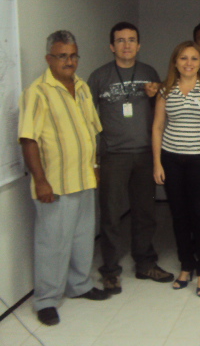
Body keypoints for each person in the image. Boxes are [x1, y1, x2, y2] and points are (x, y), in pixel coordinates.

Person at [19, 30, 110, 327]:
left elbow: (91, 131)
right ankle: (46, 299)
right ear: (49, 58)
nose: (69, 61)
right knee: (52, 243)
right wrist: (40, 180)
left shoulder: (82, 87)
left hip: (83, 177)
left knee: (83, 237)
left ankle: (80, 285)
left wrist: (95, 164)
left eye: (73, 55)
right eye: (62, 56)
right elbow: (28, 139)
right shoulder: (37, 92)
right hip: (54, 183)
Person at [88, 22, 173, 295]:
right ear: (112, 46)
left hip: (145, 154)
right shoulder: (99, 76)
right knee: (111, 216)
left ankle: (145, 262)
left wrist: (154, 95)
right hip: (113, 155)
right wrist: (94, 160)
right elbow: (88, 120)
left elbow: (161, 111)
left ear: (139, 45)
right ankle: (110, 270)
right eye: (120, 40)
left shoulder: (149, 72)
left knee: (145, 212)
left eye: (132, 40)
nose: (126, 45)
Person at [152, 41, 200, 297]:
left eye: (194, 59)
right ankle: (186, 265)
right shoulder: (165, 90)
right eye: (183, 58)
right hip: (172, 160)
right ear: (175, 62)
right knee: (179, 216)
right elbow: (158, 128)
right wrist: (157, 162)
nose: (189, 63)